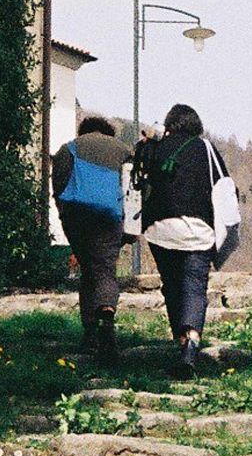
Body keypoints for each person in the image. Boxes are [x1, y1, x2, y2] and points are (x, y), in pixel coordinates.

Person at [136, 103, 233, 378]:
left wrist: (149, 140)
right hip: (199, 230)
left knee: (172, 285)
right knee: (194, 286)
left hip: (161, 228)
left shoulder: (155, 148)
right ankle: (190, 345)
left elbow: (137, 172)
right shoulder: (206, 149)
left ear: (169, 124)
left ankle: (180, 340)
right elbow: (223, 183)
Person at [51, 115, 135, 365]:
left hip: (77, 217)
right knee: (105, 270)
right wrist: (130, 227)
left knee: (88, 270)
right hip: (110, 217)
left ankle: (89, 333)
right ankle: (106, 317)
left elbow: (59, 186)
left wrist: (64, 214)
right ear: (108, 132)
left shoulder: (69, 148)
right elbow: (135, 189)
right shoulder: (122, 150)